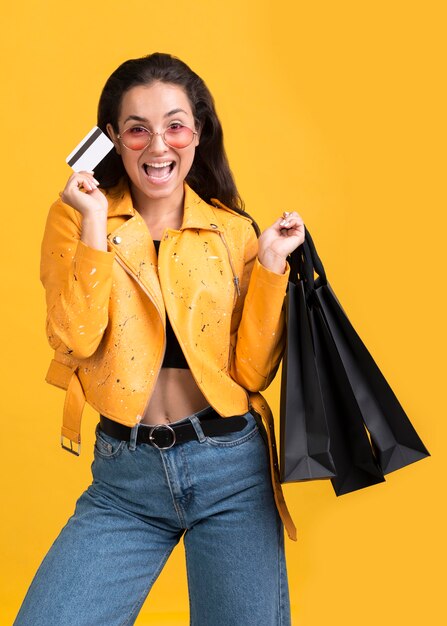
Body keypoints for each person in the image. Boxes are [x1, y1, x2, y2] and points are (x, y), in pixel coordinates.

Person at [14, 52, 305, 626]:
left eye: (174, 126)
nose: (157, 146)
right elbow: (73, 337)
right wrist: (96, 225)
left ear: (197, 134)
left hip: (232, 469)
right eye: (137, 129)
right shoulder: (73, 219)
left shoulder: (232, 230)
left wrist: (270, 267)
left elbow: (249, 375)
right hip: (126, 475)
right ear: (113, 140)